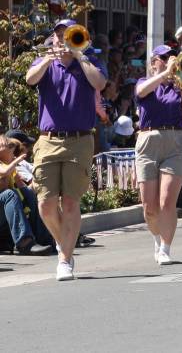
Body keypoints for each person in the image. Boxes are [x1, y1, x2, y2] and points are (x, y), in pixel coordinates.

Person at [24, 19, 108, 280]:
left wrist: (80, 55)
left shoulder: (89, 63)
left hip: (79, 140)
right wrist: (50, 59)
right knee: (46, 204)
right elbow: (29, 79)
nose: (62, 39)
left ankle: (65, 258)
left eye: (69, 35)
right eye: (59, 35)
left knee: (70, 202)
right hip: (48, 139)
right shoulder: (46, 62)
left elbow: (100, 84)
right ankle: (65, 242)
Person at [134, 45, 182, 265]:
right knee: (149, 207)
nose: (170, 62)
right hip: (148, 141)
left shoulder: (178, 86)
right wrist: (164, 74)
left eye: (172, 59)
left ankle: (166, 248)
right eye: (164, 58)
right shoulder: (146, 83)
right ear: (153, 63)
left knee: (166, 201)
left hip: (176, 141)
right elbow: (141, 93)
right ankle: (157, 240)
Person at [1, 135, 53, 255]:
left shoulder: (11, 166)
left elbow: (24, 188)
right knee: (9, 194)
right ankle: (24, 243)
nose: (12, 151)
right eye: (7, 146)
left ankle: (44, 239)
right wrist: (15, 162)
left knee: (27, 193)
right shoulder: (7, 166)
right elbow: (3, 177)